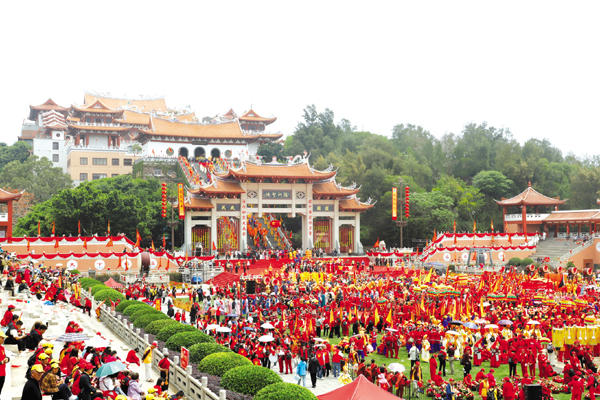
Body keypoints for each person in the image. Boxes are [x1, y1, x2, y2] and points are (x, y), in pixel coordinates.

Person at [0, 331, 8, 396]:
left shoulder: (2, 348)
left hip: (2, 373)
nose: (3, 340)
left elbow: (5, 356)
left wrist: (7, 359)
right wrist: (1, 362)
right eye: (2, 338)